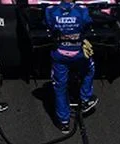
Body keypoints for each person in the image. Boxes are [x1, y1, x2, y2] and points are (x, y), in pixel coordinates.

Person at [44, 0, 96, 134]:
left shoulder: (50, 10)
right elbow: (89, 24)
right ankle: (85, 98)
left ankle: (64, 122)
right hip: (78, 52)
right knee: (90, 69)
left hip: (60, 53)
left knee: (60, 87)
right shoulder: (82, 10)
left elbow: (48, 25)